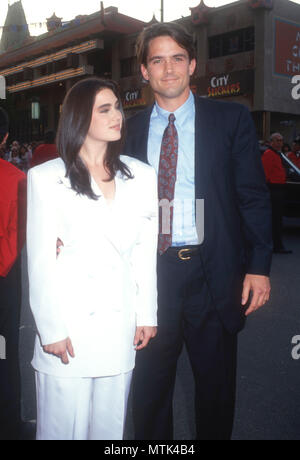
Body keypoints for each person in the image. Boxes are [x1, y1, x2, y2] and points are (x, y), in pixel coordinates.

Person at [123, 22, 272, 441]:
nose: (167, 69)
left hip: (214, 274)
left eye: (176, 58)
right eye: (157, 60)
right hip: (151, 277)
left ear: (193, 65)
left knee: (216, 390)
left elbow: (252, 196)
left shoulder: (231, 119)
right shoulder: (128, 130)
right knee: (150, 391)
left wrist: (258, 266)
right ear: (144, 71)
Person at [26, 78, 158, 441]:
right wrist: (51, 329)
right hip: (69, 329)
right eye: (105, 109)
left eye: (117, 107)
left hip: (119, 324)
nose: (117, 115)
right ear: (80, 118)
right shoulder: (45, 178)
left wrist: (147, 314)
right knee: (61, 429)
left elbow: (145, 252)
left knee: (109, 429)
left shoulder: (143, 176)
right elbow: (40, 262)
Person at [0, 107, 27, 440]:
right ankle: (7, 424)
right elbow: (15, 239)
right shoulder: (16, 178)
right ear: (5, 138)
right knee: (4, 354)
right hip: (3, 286)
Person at [262, 133, 292, 254]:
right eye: (277, 140)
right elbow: (265, 175)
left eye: (281, 140)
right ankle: (277, 246)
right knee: (275, 220)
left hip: (279, 189)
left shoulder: (277, 154)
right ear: (271, 142)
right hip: (274, 190)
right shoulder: (269, 154)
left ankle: (277, 245)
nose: (280, 143)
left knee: (277, 220)